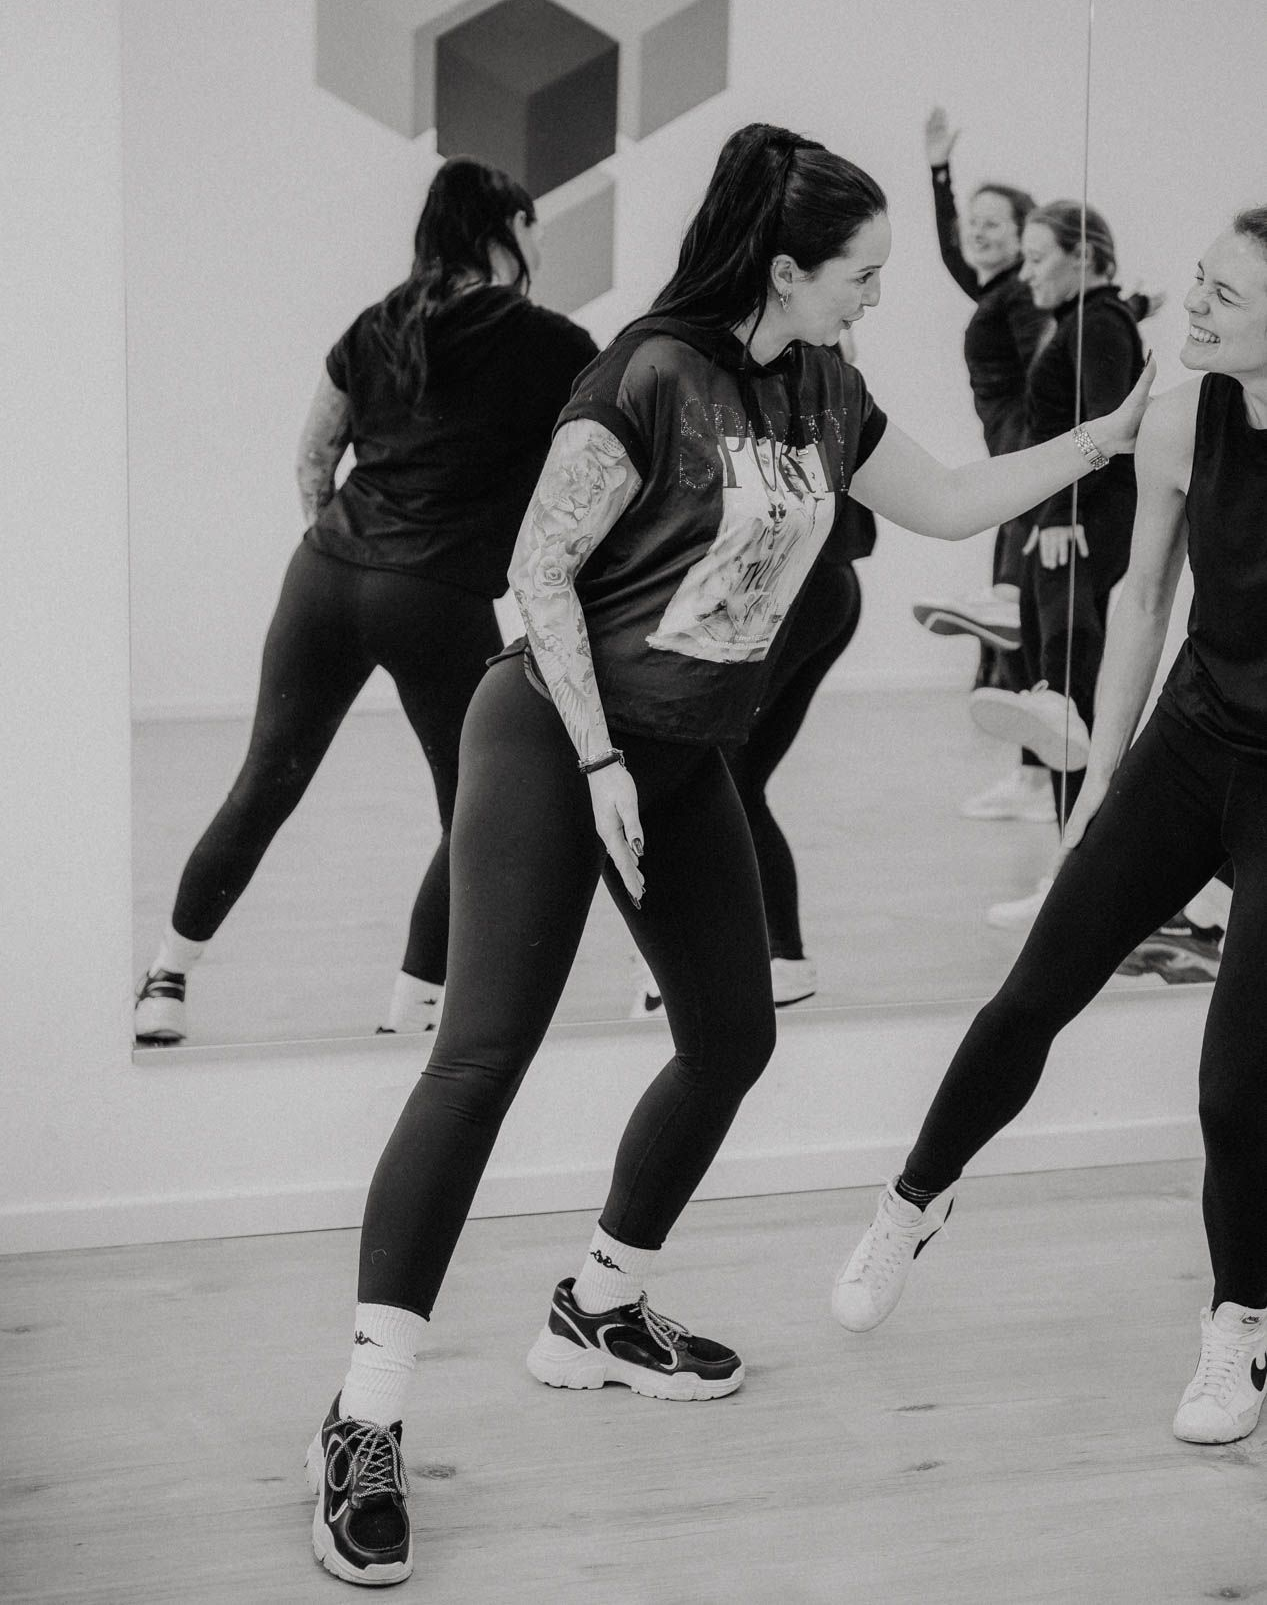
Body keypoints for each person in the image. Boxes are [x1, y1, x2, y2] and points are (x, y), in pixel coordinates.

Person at [304, 123, 1152, 1588]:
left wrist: (1102, 437)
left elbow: (949, 500)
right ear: (783, 267)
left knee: (731, 1037)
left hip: (678, 748)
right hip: (551, 732)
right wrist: (593, 763)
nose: (876, 295)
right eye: (861, 273)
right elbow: (536, 573)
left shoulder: (825, 386)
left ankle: (597, 1304)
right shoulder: (644, 374)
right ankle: (363, 1414)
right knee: (481, 1057)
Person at [832, 208, 1267, 1449]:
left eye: (1225, 296)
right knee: (1031, 995)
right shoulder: (1181, 420)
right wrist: (1098, 788)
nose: (1192, 304)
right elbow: (1141, 600)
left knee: (1236, 1088)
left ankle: (1239, 1321)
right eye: (1200, 280)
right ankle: (913, 1199)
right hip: (1191, 743)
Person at [132, 158, 596, 1045]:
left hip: (324, 575)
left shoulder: (374, 322)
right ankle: (412, 1008)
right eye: (533, 224)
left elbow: (314, 455)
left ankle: (165, 979)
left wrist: (347, 544)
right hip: (432, 593)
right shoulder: (552, 342)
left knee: (263, 783)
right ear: (505, 230)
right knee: (475, 806)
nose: (540, 241)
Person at [630, 333, 877, 1018]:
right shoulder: (815, 378)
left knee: (717, 774)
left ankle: (750, 957)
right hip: (825, 590)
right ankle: (773, 956)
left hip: (801, 592)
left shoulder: (790, 379)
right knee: (734, 779)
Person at [966, 200, 1145, 927]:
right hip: (1067, 524)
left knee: (1070, 705)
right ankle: (1079, 880)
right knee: (1066, 702)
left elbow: (1108, 429)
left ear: (1083, 257)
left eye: (1038, 258)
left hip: (1077, 528)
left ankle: (1078, 888)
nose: (1027, 273)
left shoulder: (1097, 323)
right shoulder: (1091, 320)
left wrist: (1062, 513)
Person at [909, 107, 1054, 824]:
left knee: (1028, 623)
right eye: (974, 219)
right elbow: (952, 253)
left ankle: (1040, 778)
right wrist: (939, 171)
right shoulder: (999, 290)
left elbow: (1048, 376)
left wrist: (1033, 473)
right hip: (1013, 471)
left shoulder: (1021, 295)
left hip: (1023, 472)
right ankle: (1031, 777)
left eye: (994, 222)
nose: (977, 230)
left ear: (1025, 234)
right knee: (1021, 628)